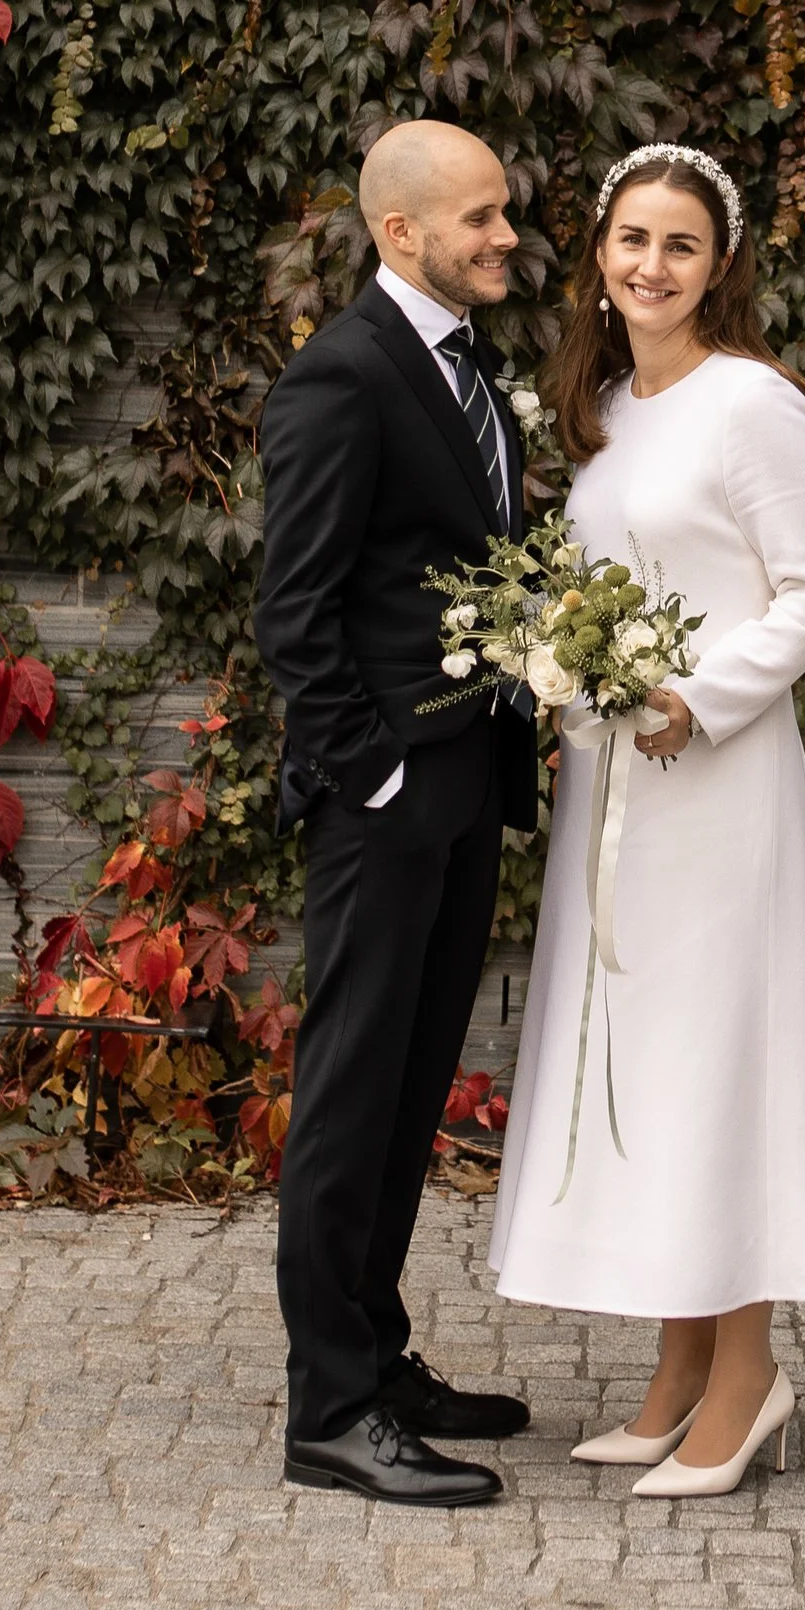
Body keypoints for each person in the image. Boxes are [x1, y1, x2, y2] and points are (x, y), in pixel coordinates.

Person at [487, 143, 805, 1497]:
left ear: (722, 265)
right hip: (618, 782)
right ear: (598, 252)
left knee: (720, 1061)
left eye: (681, 245)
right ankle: (677, 1366)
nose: (651, 264)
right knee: (646, 1064)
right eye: (631, 238)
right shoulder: (615, 406)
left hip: (717, 785)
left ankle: (748, 1372)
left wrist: (697, 699)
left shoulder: (757, 404)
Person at [255, 118, 540, 1507]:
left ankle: (379, 1348)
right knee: (354, 1092)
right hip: (385, 798)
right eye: (479, 218)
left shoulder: (467, 370)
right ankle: (330, 1406)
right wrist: (369, 771)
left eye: (504, 214)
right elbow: (293, 612)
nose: (505, 237)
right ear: (403, 232)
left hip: (468, 781)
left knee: (416, 1086)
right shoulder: (341, 378)